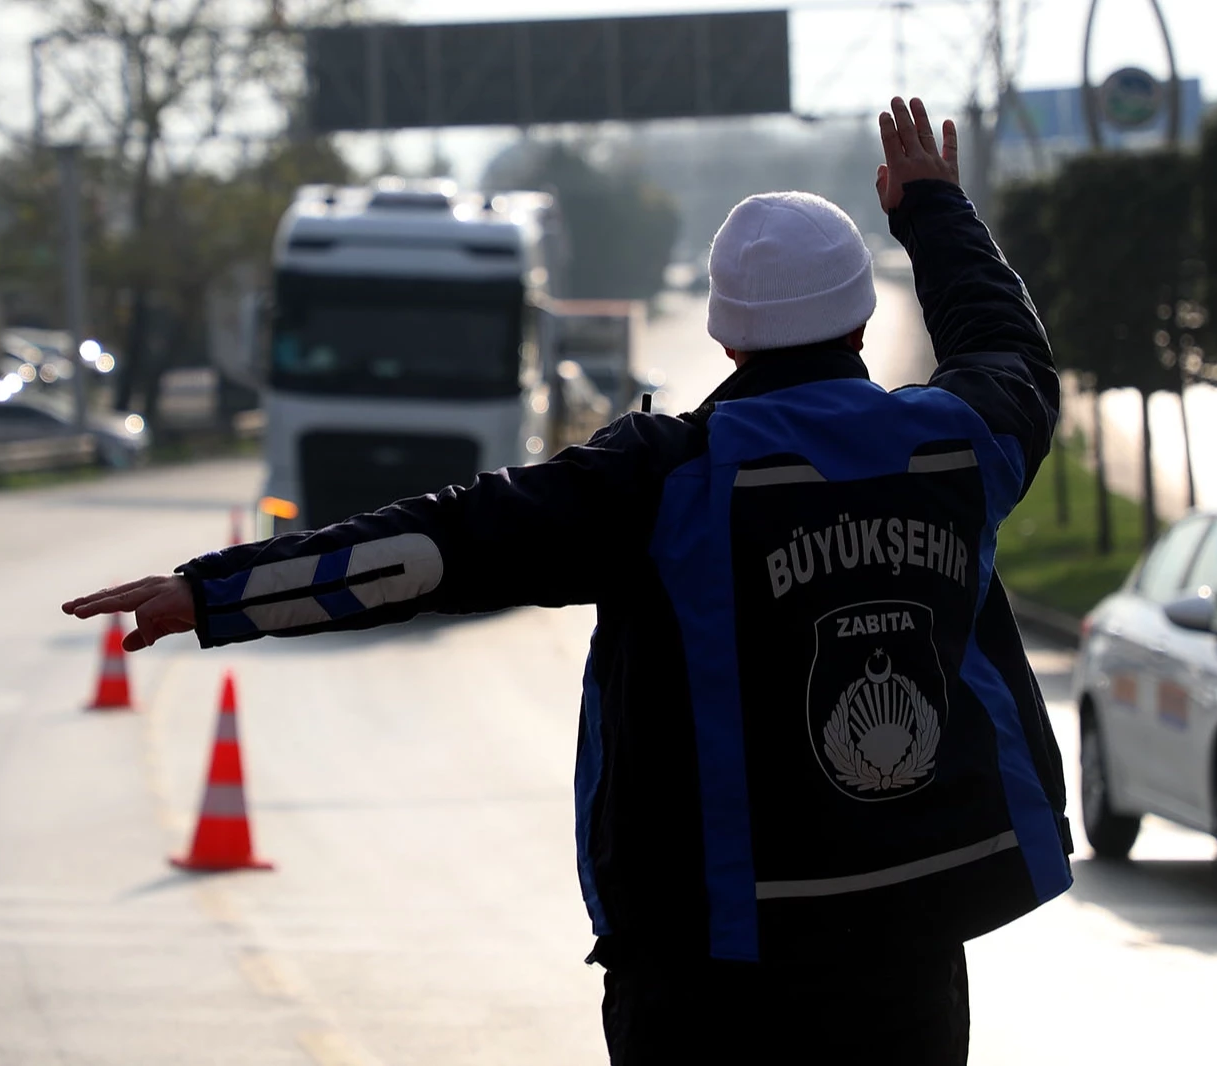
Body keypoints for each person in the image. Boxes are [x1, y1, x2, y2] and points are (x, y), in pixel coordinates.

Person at [64, 97, 1072, 1065]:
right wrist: (933, 207)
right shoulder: (962, 441)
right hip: (907, 955)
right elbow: (1006, 345)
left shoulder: (663, 477)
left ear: (726, 335)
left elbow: (432, 547)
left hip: (707, 968)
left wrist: (214, 592)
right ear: (862, 319)